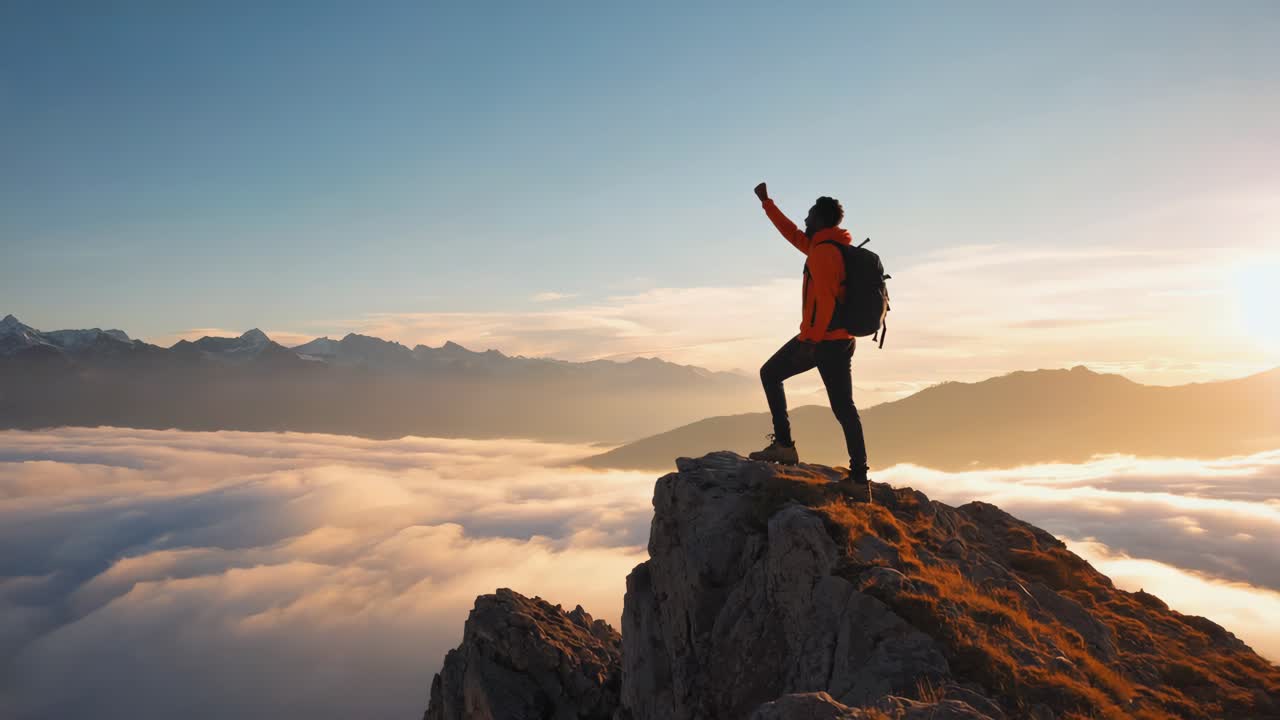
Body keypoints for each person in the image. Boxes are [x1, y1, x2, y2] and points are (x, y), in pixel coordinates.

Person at [748, 181, 870, 486]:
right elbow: (791, 233)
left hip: (823, 340)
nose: (805, 220)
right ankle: (858, 477)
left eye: (810, 215)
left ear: (821, 220)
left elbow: (826, 302)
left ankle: (786, 447)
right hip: (839, 340)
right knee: (844, 409)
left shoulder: (823, 254)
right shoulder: (828, 247)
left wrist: (810, 342)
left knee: (770, 374)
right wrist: (767, 203)